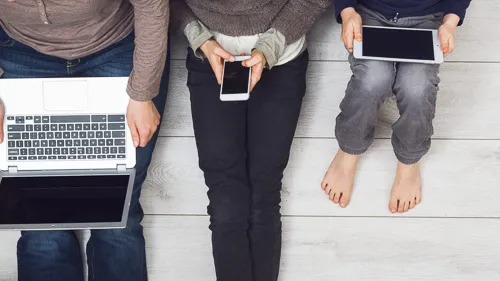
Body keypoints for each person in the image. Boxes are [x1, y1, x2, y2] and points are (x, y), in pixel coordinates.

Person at [0, 1, 170, 280]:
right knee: (38, 214)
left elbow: (152, 5)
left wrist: (142, 92)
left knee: (118, 211)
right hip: (21, 51)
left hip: (116, 46)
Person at [171, 0, 330, 280]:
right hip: (209, 57)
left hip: (282, 58)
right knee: (226, 200)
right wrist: (199, 37)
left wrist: (272, 44)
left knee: (263, 195)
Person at [321, 0, 472, 213]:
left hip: (427, 17)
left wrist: (450, 21)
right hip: (370, 12)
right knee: (372, 81)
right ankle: (349, 147)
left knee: (417, 88)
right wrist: (347, 12)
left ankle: (409, 160)